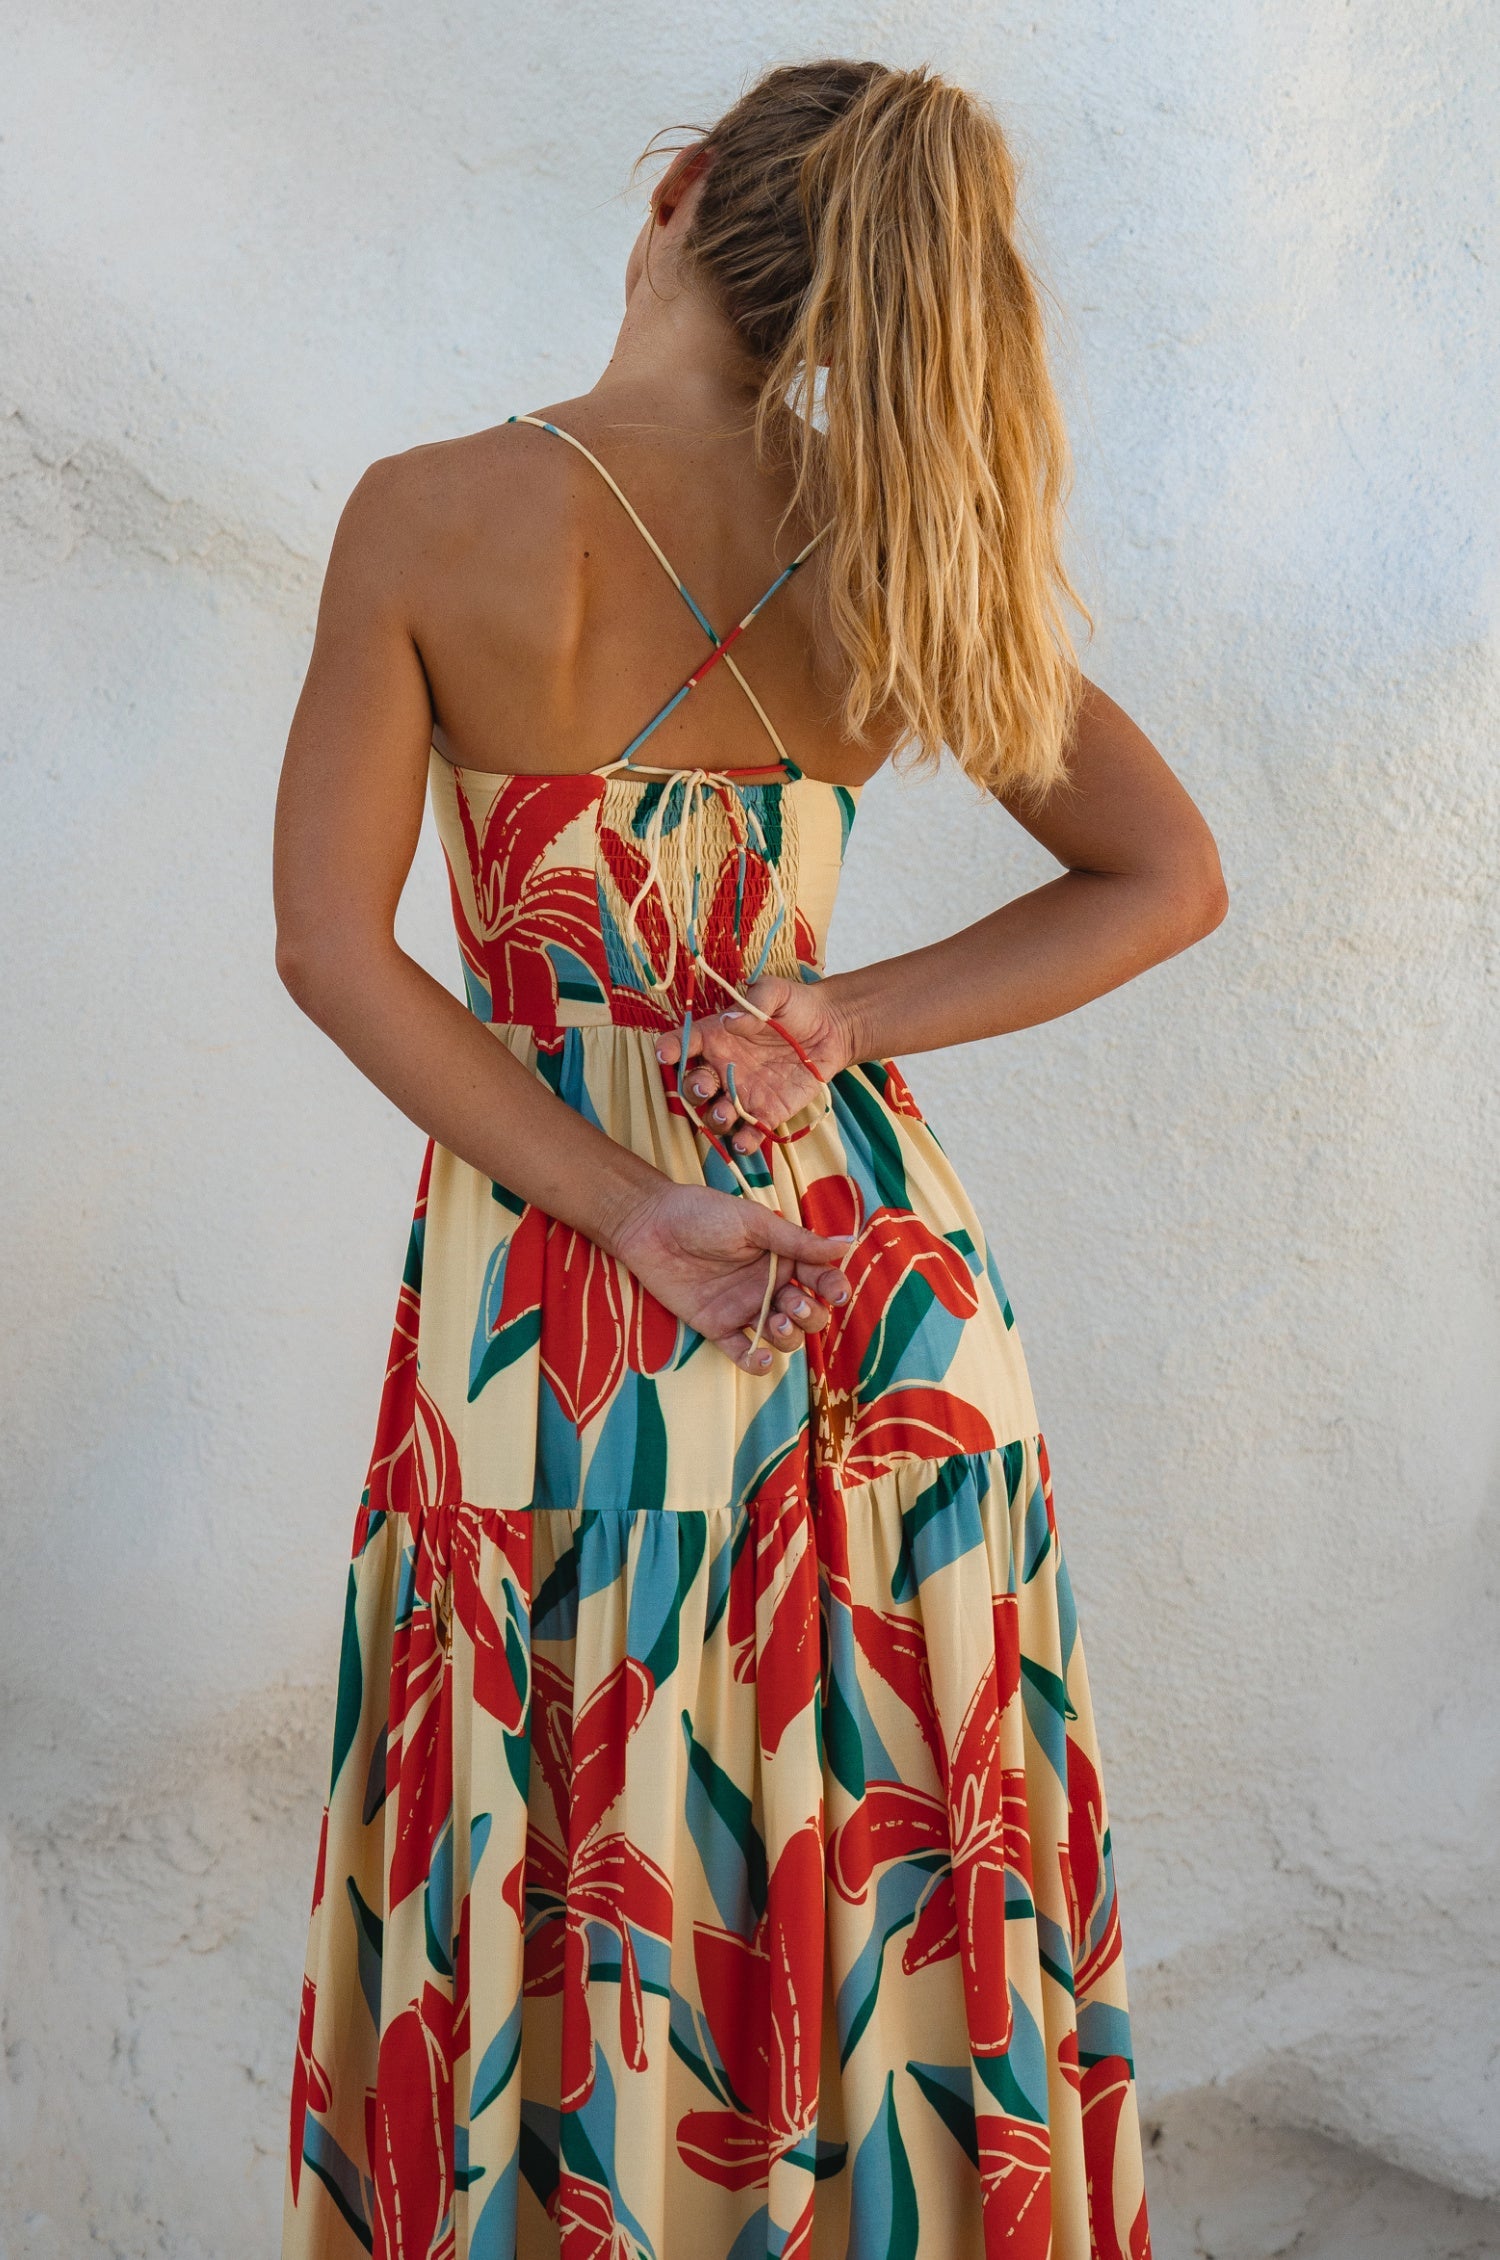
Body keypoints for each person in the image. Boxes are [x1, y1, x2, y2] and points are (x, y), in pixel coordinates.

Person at [273, 56, 1225, 2260]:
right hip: (869, 1305)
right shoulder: (888, 537)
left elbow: (332, 946)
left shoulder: (424, 515)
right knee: (883, 1883)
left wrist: (623, 1203)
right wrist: (841, 1016)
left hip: (562, 1301)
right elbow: (1166, 874)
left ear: (684, 192)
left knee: (571, 1850)